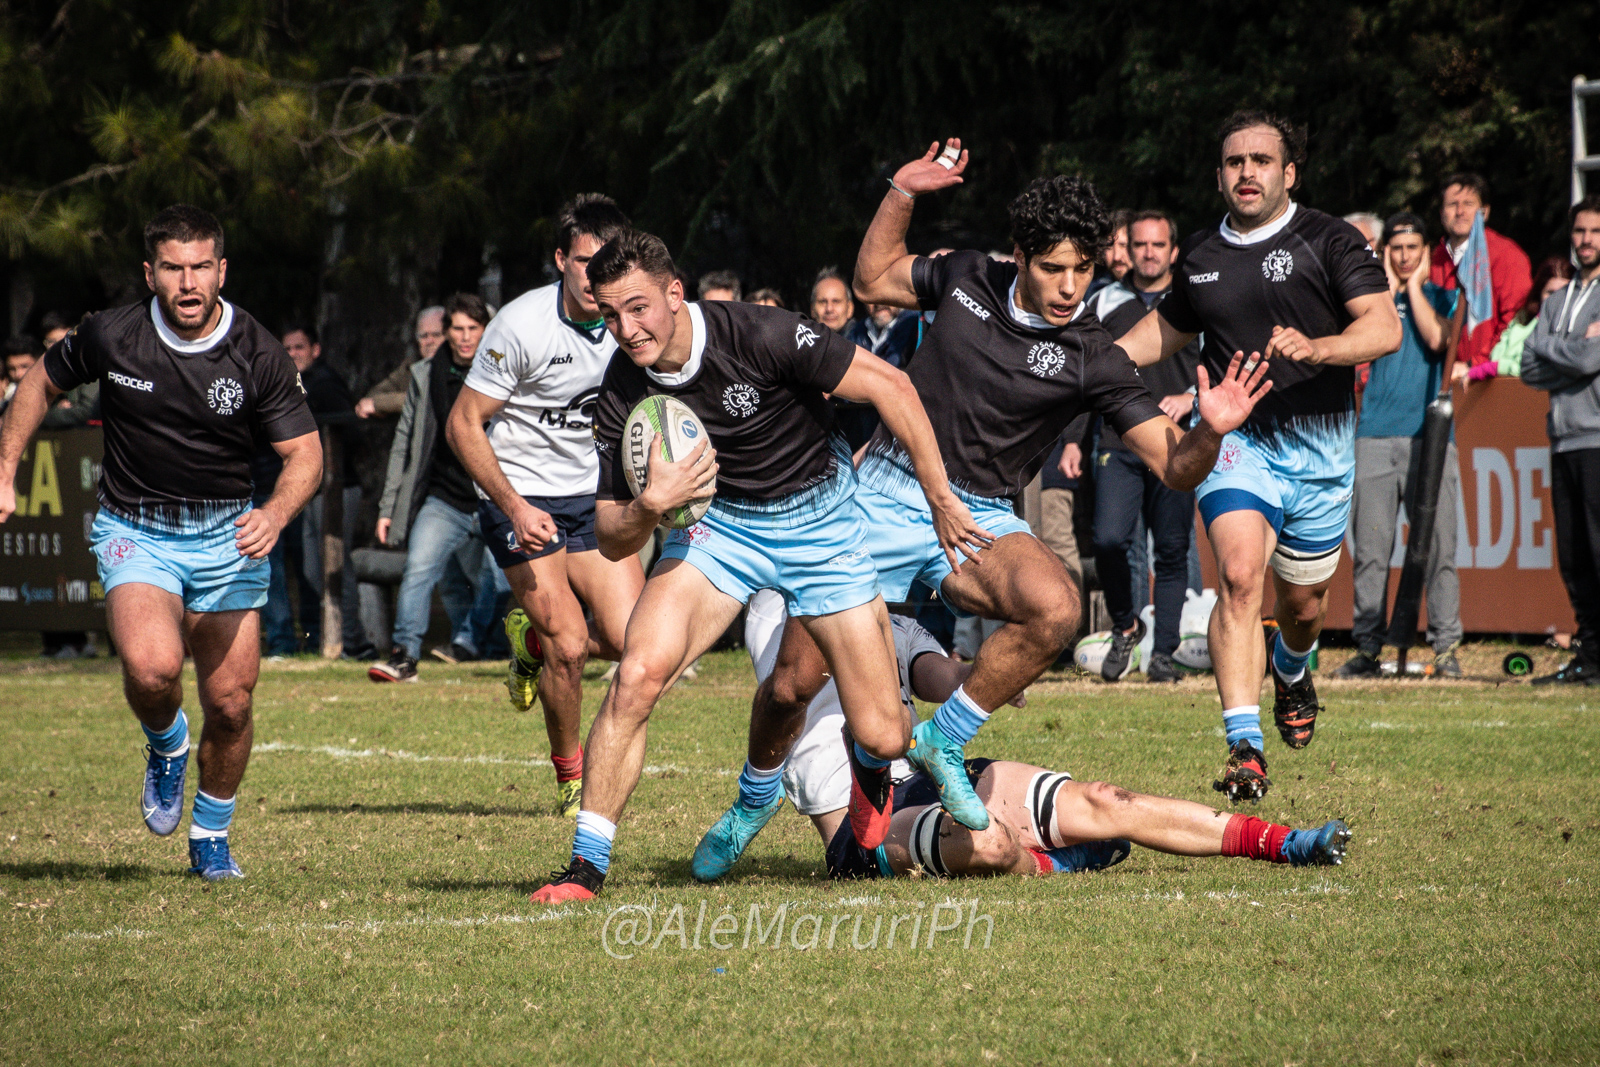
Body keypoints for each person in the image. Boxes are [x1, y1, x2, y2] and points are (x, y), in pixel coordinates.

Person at [701, 140, 1272, 887]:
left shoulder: (1092, 352)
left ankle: (945, 738)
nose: (1070, 287)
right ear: (1019, 256)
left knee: (1057, 607)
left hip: (976, 515)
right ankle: (752, 798)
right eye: (1053, 267)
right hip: (882, 490)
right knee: (790, 684)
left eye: (1084, 269)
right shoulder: (968, 275)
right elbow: (874, 274)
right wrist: (902, 191)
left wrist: (1210, 429)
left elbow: (1171, 463)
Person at [529, 227, 982, 902]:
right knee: (637, 674)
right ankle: (586, 867)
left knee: (884, 732)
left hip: (822, 524)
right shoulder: (622, 388)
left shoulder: (762, 334)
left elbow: (891, 385)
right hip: (721, 529)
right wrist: (651, 505)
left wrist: (941, 498)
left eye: (639, 307)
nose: (626, 328)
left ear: (675, 294)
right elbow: (612, 536)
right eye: (610, 313)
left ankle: (817, 781)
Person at [0, 204, 322, 880]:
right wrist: (5, 467)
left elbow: (306, 455)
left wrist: (276, 513)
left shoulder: (256, 349)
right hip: (136, 527)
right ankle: (168, 744)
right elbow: (40, 381)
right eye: (173, 268)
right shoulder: (112, 334)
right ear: (150, 273)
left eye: (201, 266)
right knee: (152, 670)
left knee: (231, 703)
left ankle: (210, 837)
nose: (187, 282)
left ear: (221, 270)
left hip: (229, 531)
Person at [1114, 111, 1400, 801]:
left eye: (1261, 161)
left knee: (1302, 606)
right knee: (1240, 575)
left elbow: (1383, 326)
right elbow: (1166, 331)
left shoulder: (1331, 239)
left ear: (1288, 172)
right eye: (1234, 162)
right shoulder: (1205, 253)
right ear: (1220, 175)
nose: (1247, 172)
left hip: (1321, 451)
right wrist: (1095, 366)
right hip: (1238, 445)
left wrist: (1320, 347)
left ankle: (1293, 666)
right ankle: (1245, 745)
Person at [707, 590, 1350, 882]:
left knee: (1107, 802)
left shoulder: (876, 608)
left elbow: (935, 671)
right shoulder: (773, 605)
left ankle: (1290, 845)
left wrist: (982, 676)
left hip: (930, 774)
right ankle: (1047, 862)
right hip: (859, 830)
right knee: (990, 846)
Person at [446, 195, 647, 818]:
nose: (595, 279)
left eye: (608, 264)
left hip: (596, 498)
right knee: (570, 642)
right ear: (561, 260)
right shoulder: (521, 324)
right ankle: (570, 776)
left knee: (634, 642)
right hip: (521, 496)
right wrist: (512, 504)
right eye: (584, 263)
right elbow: (462, 424)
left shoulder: (633, 326)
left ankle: (524, 641)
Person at [1336, 213, 1463, 679]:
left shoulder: (1443, 298)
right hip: (1372, 435)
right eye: (1397, 249)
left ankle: (1446, 647)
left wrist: (1412, 288)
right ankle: (1368, 647)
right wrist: (1387, 291)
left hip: (1430, 438)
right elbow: (1363, 347)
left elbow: (1436, 338)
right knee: (1370, 550)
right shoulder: (1371, 303)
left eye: (1413, 248)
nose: (1405, 257)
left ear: (1425, 252)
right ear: (1385, 252)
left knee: (1438, 548)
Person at [1087, 210, 1203, 683]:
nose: (1149, 253)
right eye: (1141, 245)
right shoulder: (1102, 301)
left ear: (1173, 252)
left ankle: (1164, 654)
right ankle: (1125, 626)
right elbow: (1083, 373)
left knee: (1172, 551)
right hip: (1118, 438)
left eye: (1159, 245)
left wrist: (1191, 398)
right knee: (1109, 540)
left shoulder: (1195, 300)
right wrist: (1075, 441)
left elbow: (1225, 359)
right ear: (1126, 249)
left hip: (1179, 442)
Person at [367, 293, 501, 680]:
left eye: (472, 329)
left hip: (494, 495)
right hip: (444, 499)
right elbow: (404, 444)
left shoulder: (500, 372)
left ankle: (470, 641)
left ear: (484, 331)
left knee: (504, 578)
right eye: (457, 329)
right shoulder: (425, 375)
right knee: (419, 571)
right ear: (445, 333)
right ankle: (404, 655)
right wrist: (389, 507)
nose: (464, 337)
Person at [1520, 195, 1600, 685]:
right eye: (1579, 231)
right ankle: (1591, 657)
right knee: (1572, 556)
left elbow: (1593, 362)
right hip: (1561, 439)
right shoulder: (1555, 300)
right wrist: (1571, 346)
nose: (1586, 240)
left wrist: (1554, 350)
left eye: (1595, 231)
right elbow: (1528, 364)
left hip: (1596, 438)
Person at [1428, 174, 1532, 376]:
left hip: (1490, 379)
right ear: (1441, 213)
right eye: (1452, 205)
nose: (1460, 212)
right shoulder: (1432, 260)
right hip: (1440, 378)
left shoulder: (1507, 256)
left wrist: (1475, 365)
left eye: (1468, 204)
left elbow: (1515, 324)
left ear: (1484, 212)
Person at [837, 301, 921, 450]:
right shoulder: (858, 330)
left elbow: (894, 375)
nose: (879, 303)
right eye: (872, 297)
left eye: (885, 296)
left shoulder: (914, 324)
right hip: (861, 436)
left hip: (900, 436)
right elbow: (842, 372)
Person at [1479, 257, 1575, 381]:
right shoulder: (1522, 320)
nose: (1556, 300)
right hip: (1509, 393)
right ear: (1540, 294)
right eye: (1550, 293)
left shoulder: (1576, 328)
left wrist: (1498, 367)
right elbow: (1497, 355)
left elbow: (1538, 368)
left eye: (1563, 293)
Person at [355, 306, 447, 419]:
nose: (429, 341)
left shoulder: (457, 365)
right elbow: (374, 395)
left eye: (436, 335)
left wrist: (381, 405)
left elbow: (428, 399)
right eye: (423, 336)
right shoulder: (411, 366)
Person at [1, 336, 38, 418]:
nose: (18, 374)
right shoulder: (9, 400)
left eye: (24, 366)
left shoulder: (57, 391)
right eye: (12, 369)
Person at [809, 269, 854, 334]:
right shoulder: (801, 342)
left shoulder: (865, 340)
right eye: (823, 302)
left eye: (836, 301)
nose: (829, 309)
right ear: (812, 309)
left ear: (850, 308)